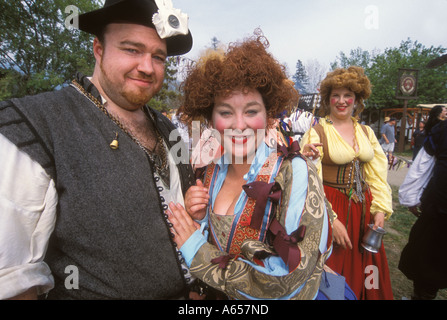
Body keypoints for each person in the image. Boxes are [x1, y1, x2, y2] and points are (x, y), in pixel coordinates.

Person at [0, 0, 196, 299]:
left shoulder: (167, 129)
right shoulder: (39, 125)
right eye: (131, 49)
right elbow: (11, 276)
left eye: (158, 56)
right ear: (98, 49)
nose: (147, 66)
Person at [166, 32, 346, 300]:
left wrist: (197, 250)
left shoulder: (294, 172)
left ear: (268, 114)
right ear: (211, 117)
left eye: (251, 111)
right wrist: (201, 217)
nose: (239, 124)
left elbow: (291, 281)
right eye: (226, 112)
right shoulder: (212, 170)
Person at [300, 66, 394, 300]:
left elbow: (377, 174)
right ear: (328, 99)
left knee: (367, 270)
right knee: (334, 268)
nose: (341, 101)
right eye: (336, 95)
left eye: (347, 95)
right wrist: (331, 221)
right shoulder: (317, 133)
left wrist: (380, 209)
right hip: (331, 208)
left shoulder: (366, 132)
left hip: (363, 211)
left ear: (357, 99)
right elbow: (311, 182)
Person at [398, 118, 447, 299]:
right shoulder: (443, 129)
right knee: (429, 264)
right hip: (440, 209)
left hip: (439, 208)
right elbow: (423, 164)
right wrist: (411, 196)